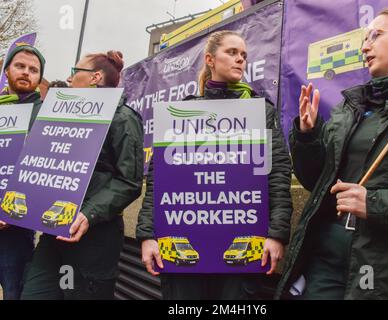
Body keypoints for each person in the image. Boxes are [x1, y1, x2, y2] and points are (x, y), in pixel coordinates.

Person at [276, 8, 388, 300]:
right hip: (326, 259)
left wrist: (375, 203)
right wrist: (308, 136)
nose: (365, 46)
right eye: (364, 39)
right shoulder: (353, 105)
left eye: (375, 35)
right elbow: (317, 182)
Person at [136, 30, 293, 300]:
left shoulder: (260, 111)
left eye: (243, 54)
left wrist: (277, 234)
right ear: (210, 59)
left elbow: (277, 176)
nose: (240, 59)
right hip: (182, 247)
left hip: (242, 248)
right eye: (231, 52)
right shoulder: (183, 112)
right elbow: (158, 182)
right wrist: (147, 235)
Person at [20, 50, 144, 300]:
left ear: (95, 77)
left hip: (94, 240)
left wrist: (89, 214)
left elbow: (129, 181)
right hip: (53, 233)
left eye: (75, 72)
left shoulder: (123, 118)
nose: (68, 77)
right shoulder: (61, 119)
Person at [0, 45, 45, 300]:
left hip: (14, 228)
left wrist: (9, 212)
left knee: (14, 292)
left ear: (39, 78)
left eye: (34, 69)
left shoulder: (47, 116)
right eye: (20, 66)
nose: (26, 72)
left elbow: (48, 171)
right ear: (7, 71)